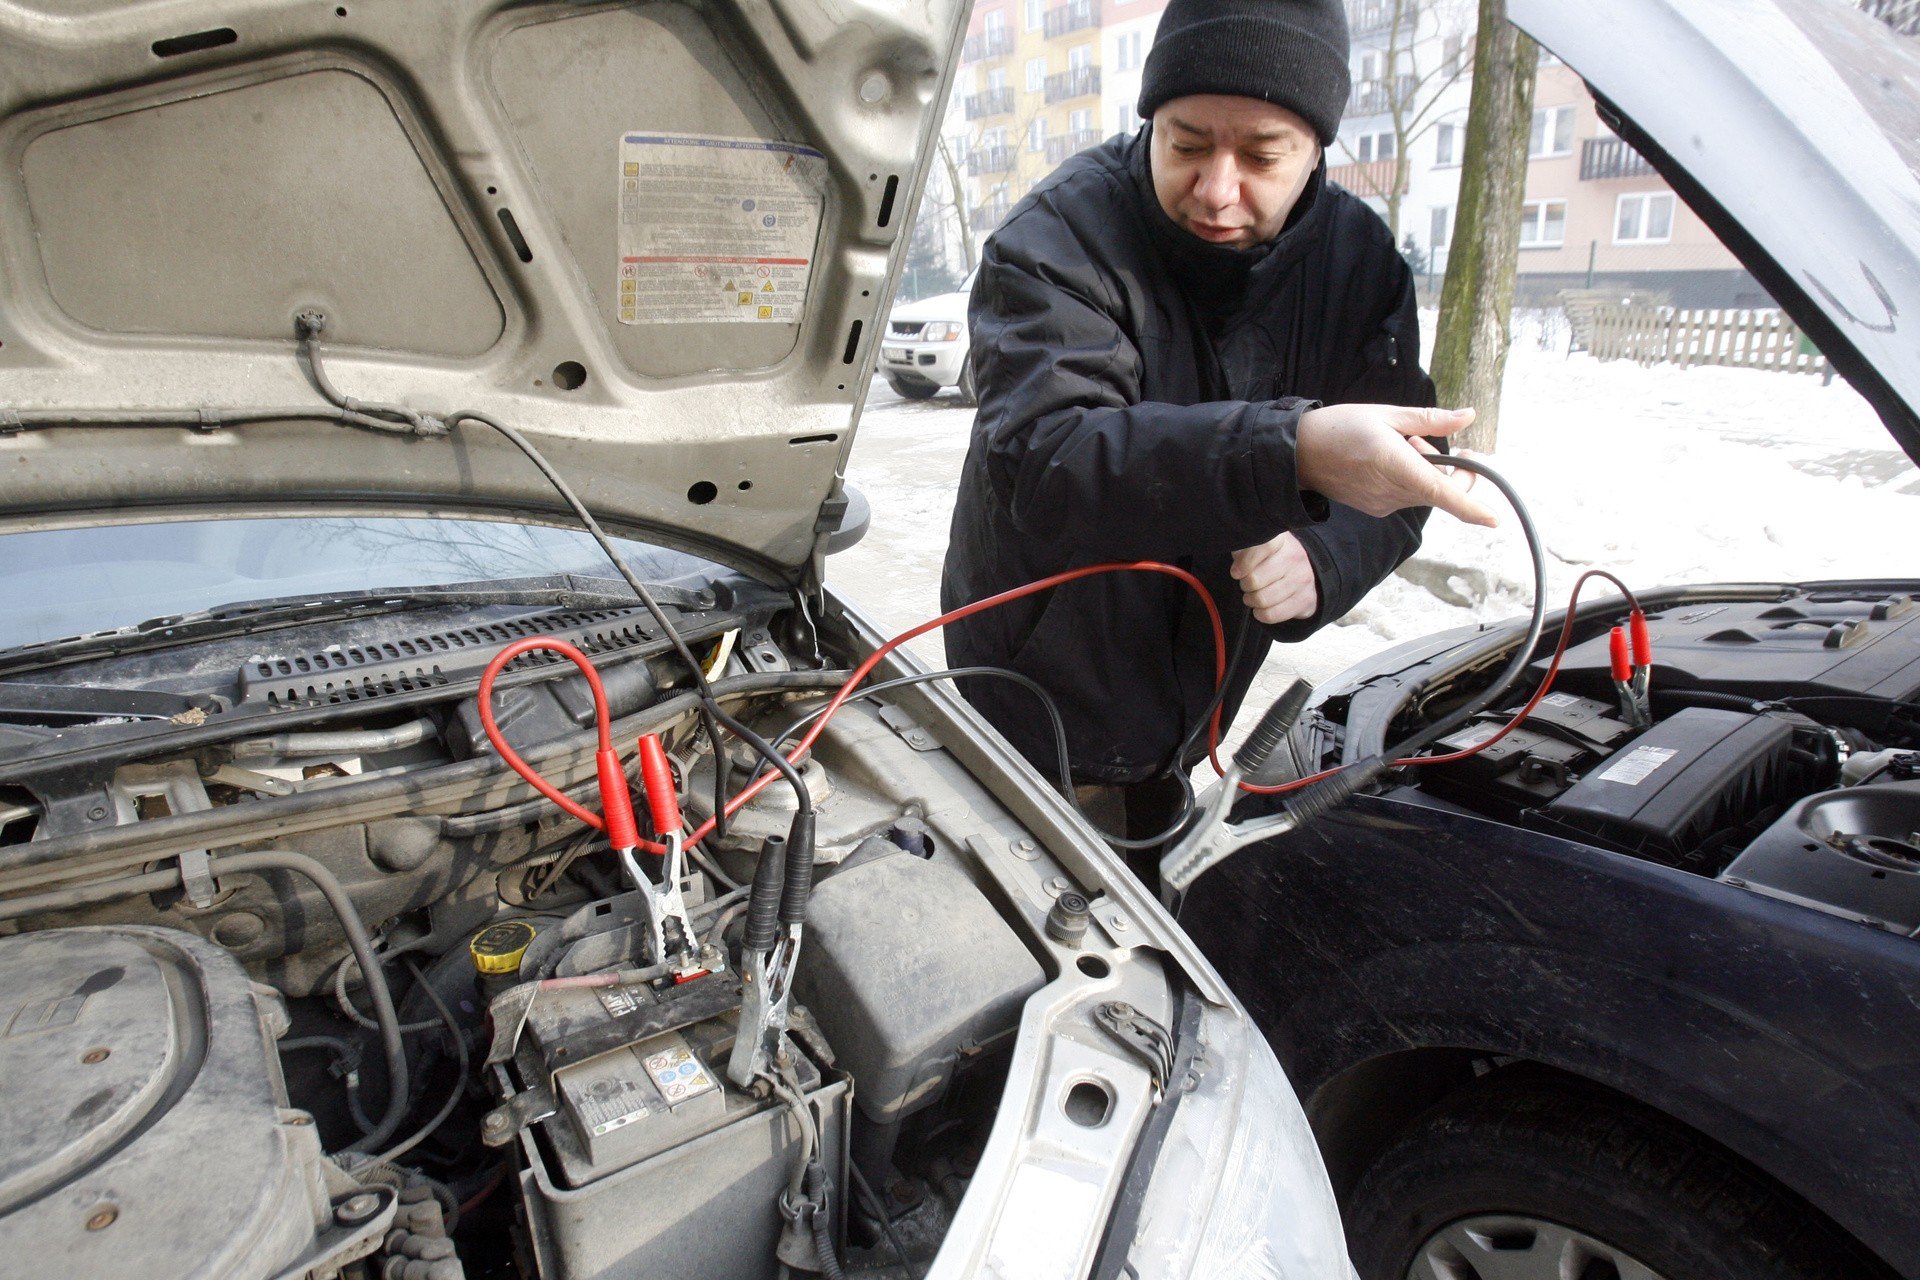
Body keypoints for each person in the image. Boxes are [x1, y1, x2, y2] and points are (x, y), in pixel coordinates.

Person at [939, 0, 1494, 862]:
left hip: (1196, 703)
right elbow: (1051, 461)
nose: (1216, 188)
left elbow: (1403, 472)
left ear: (1316, 149)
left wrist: (1325, 554)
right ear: (1150, 121)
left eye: (1261, 155)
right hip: (1036, 697)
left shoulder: (1360, 266)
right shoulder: (1058, 239)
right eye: (1186, 143)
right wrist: (1295, 453)